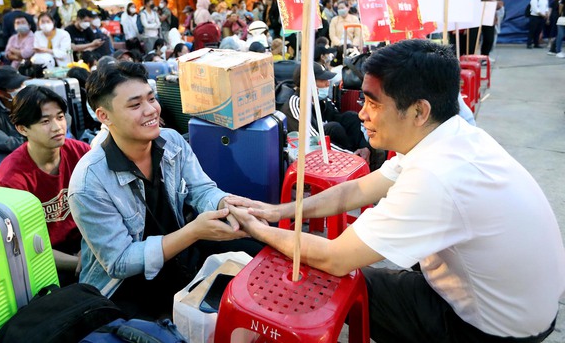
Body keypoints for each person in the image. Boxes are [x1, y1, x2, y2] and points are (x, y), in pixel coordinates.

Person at [227, 39, 565, 343]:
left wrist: (256, 229)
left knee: (332, 283)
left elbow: (335, 258)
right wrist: (278, 211)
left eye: (373, 104)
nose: (361, 114)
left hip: (488, 328)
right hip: (521, 307)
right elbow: (357, 189)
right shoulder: (451, 134)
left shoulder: (437, 176)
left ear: (419, 111)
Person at [68, 62, 261, 319]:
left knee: (257, 252)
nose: (151, 110)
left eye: (151, 98)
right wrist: (193, 231)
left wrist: (226, 204)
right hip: (128, 286)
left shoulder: (171, 141)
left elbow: (202, 190)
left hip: (180, 256)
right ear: (104, 116)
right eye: (135, 105)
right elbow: (120, 262)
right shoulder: (88, 182)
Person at [0, 86, 89, 285]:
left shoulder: (82, 153)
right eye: (45, 121)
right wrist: (78, 263)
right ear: (22, 128)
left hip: (87, 245)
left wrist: (89, 248)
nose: (57, 127)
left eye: (60, 117)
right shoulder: (10, 179)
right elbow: (21, 245)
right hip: (45, 260)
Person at [281, 62, 370, 162]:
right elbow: (315, 141)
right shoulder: (296, 105)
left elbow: (341, 118)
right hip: (312, 156)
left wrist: (364, 147)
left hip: (338, 149)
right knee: (333, 127)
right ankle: (356, 158)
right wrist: (352, 156)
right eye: (323, 80)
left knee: (351, 117)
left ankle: (363, 154)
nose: (328, 84)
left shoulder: (322, 101)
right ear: (309, 83)